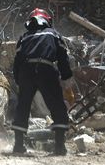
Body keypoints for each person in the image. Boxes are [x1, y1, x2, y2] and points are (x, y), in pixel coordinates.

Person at [11, 8, 73, 155]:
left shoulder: (25, 37)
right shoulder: (54, 34)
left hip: (26, 70)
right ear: (47, 21)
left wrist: (19, 81)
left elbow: (17, 62)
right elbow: (63, 58)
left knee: (23, 106)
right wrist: (66, 77)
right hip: (47, 69)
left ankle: (18, 146)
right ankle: (59, 146)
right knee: (57, 106)